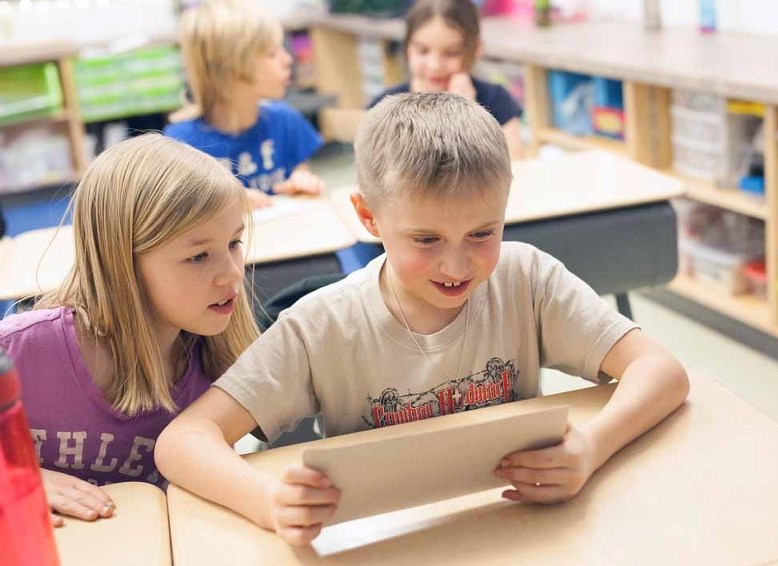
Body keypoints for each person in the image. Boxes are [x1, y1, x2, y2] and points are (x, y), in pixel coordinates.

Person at [155, 93, 689, 546]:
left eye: (483, 233)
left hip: (518, 531)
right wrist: (269, 501)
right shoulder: (321, 326)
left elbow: (661, 370)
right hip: (387, 545)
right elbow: (184, 440)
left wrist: (592, 448)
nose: (457, 266)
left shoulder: (526, 279)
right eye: (426, 240)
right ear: (368, 216)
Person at [0, 134, 259, 527]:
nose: (232, 273)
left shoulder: (218, 359)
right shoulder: (20, 348)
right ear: (122, 262)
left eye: (234, 243)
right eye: (198, 256)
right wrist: (13, 480)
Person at [165, 0, 325, 209]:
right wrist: (227, 205)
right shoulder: (180, 145)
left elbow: (300, 173)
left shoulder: (286, 120)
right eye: (272, 53)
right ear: (233, 68)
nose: (288, 59)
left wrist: (303, 184)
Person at [369, 0, 525, 160]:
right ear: (408, 48)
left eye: (451, 53)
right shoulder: (384, 107)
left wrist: (466, 113)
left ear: (476, 49)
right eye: (422, 51)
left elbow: (514, 168)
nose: (435, 65)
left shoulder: (496, 100)